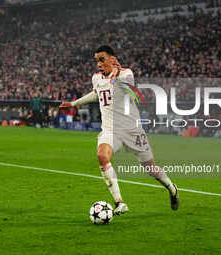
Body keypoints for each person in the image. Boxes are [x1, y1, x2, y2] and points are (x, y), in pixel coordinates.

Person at [60, 45, 179, 215]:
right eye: (97, 61)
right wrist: (73, 103)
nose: (99, 64)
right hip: (110, 130)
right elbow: (97, 93)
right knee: (102, 156)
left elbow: (130, 92)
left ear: (112, 58)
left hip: (132, 130)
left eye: (102, 59)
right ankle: (119, 202)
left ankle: (171, 188)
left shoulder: (126, 74)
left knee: (150, 168)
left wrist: (115, 75)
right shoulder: (96, 78)